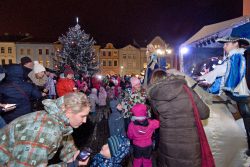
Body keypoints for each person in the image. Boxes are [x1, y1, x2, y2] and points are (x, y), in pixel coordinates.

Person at [0, 92, 90, 166]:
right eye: (83, 116)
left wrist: (72, 155)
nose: (85, 120)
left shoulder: (58, 119)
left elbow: (65, 140)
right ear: (69, 111)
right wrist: (70, 166)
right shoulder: (45, 131)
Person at [147, 69, 212, 167]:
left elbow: (157, 115)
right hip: (190, 145)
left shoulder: (154, 97)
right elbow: (204, 113)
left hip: (168, 145)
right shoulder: (185, 89)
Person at [198, 36, 250, 155]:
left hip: (240, 93)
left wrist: (203, 77)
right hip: (236, 93)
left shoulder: (236, 55)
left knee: (246, 116)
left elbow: (222, 70)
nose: (224, 46)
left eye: (226, 44)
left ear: (235, 43)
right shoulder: (234, 56)